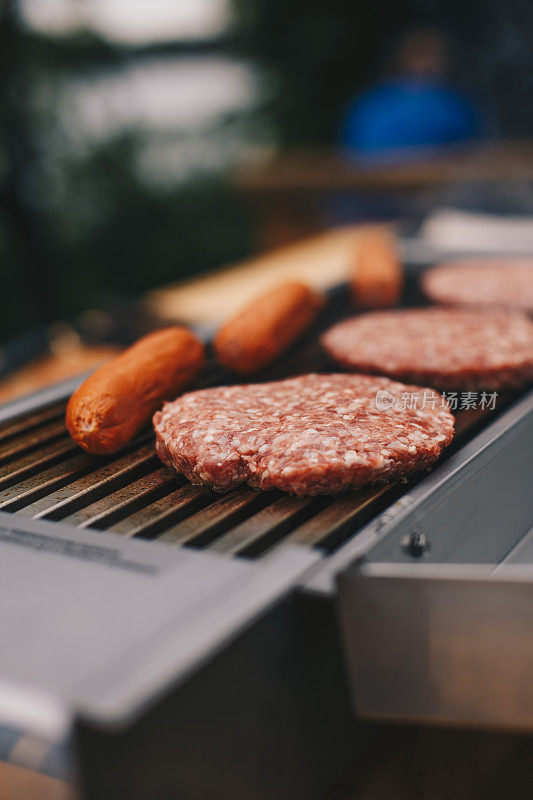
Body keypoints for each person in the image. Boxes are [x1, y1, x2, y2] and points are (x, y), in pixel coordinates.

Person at [341, 28, 485, 160]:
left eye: (430, 55)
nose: (426, 62)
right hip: (384, 182)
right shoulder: (450, 103)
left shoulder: (371, 101)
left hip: (380, 182)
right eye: (422, 54)